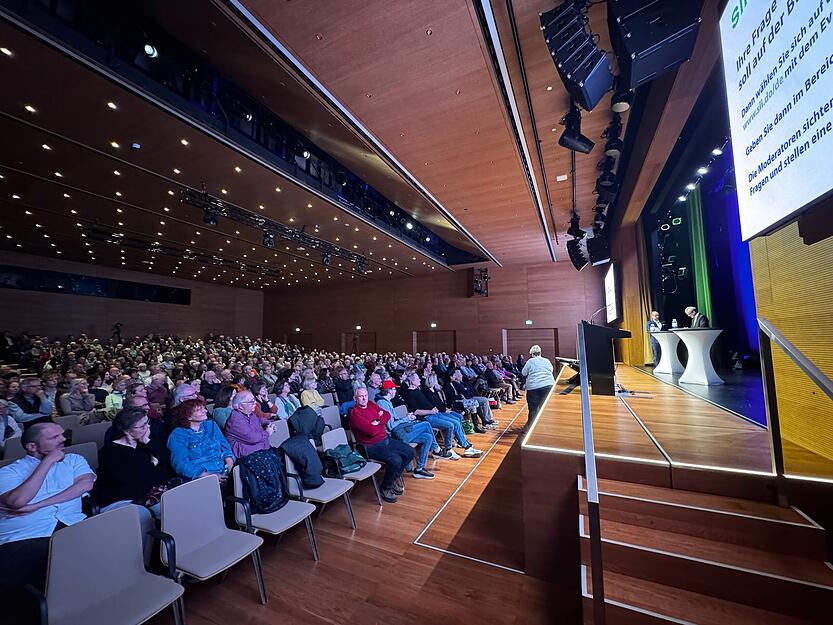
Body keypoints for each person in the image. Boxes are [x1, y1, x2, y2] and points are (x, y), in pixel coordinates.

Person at [0, 422, 95, 610]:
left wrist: (37, 505)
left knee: (101, 554)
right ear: (32, 447)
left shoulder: (74, 459)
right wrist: (47, 462)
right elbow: (18, 501)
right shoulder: (10, 471)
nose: (63, 440)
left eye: (62, 434)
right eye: (54, 438)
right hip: (26, 536)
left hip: (73, 524)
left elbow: (85, 486)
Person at [93, 409, 169, 564]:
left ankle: (174, 553)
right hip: (120, 497)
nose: (148, 428)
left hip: (146, 492)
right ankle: (143, 565)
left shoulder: (144, 442)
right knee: (149, 515)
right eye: (142, 426)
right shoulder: (110, 452)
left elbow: (166, 460)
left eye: (147, 423)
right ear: (127, 430)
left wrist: (149, 445)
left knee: (178, 503)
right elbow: (130, 483)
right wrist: (153, 464)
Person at [348, 388, 415, 503]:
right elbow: (371, 431)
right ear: (355, 398)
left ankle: (392, 479)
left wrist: (377, 421)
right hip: (370, 446)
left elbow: (387, 415)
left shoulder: (370, 404)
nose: (364, 398)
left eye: (365, 395)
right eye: (360, 396)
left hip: (385, 439)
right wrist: (379, 421)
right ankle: (385, 487)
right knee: (396, 460)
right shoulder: (355, 414)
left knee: (410, 452)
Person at [375, 380, 435, 479]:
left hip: (399, 432)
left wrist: (407, 417)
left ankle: (419, 469)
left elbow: (395, 420)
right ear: (389, 391)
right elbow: (391, 426)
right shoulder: (383, 404)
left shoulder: (387, 402)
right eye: (394, 389)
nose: (395, 391)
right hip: (394, 436)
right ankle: (437, 449)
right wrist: (406, 419)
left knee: (428, 437)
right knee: (426, 424)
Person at [167, 399, 234, 481]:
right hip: (201, 478)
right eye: (199, 410)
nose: (205, 411)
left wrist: (228, 468)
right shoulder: (178, 434)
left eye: (204, 408)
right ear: (188, 416)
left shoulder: (211, 425)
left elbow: (226, 448)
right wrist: (209, 477)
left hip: (223, 471)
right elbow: (180, 464)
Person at [224, 390, 276, 459]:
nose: (255, 403)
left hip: (260, 452)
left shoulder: (249, 413)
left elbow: (259, 420)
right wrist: (267, 432)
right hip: (249, 457)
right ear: (241, 406)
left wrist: (268, 422)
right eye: (251, 401)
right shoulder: (236, 420)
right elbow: (253, 438)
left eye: (254, 400)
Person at [521, 345, 556, 428]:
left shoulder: (530, 361)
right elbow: (551, 370)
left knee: (533, 409)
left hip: (533, 387)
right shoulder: (546, 360)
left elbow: (524, 373)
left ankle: (531, 428)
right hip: (547, 385)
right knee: (544, 408)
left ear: (532, 354)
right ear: (540, 353)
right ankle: (545, 426)